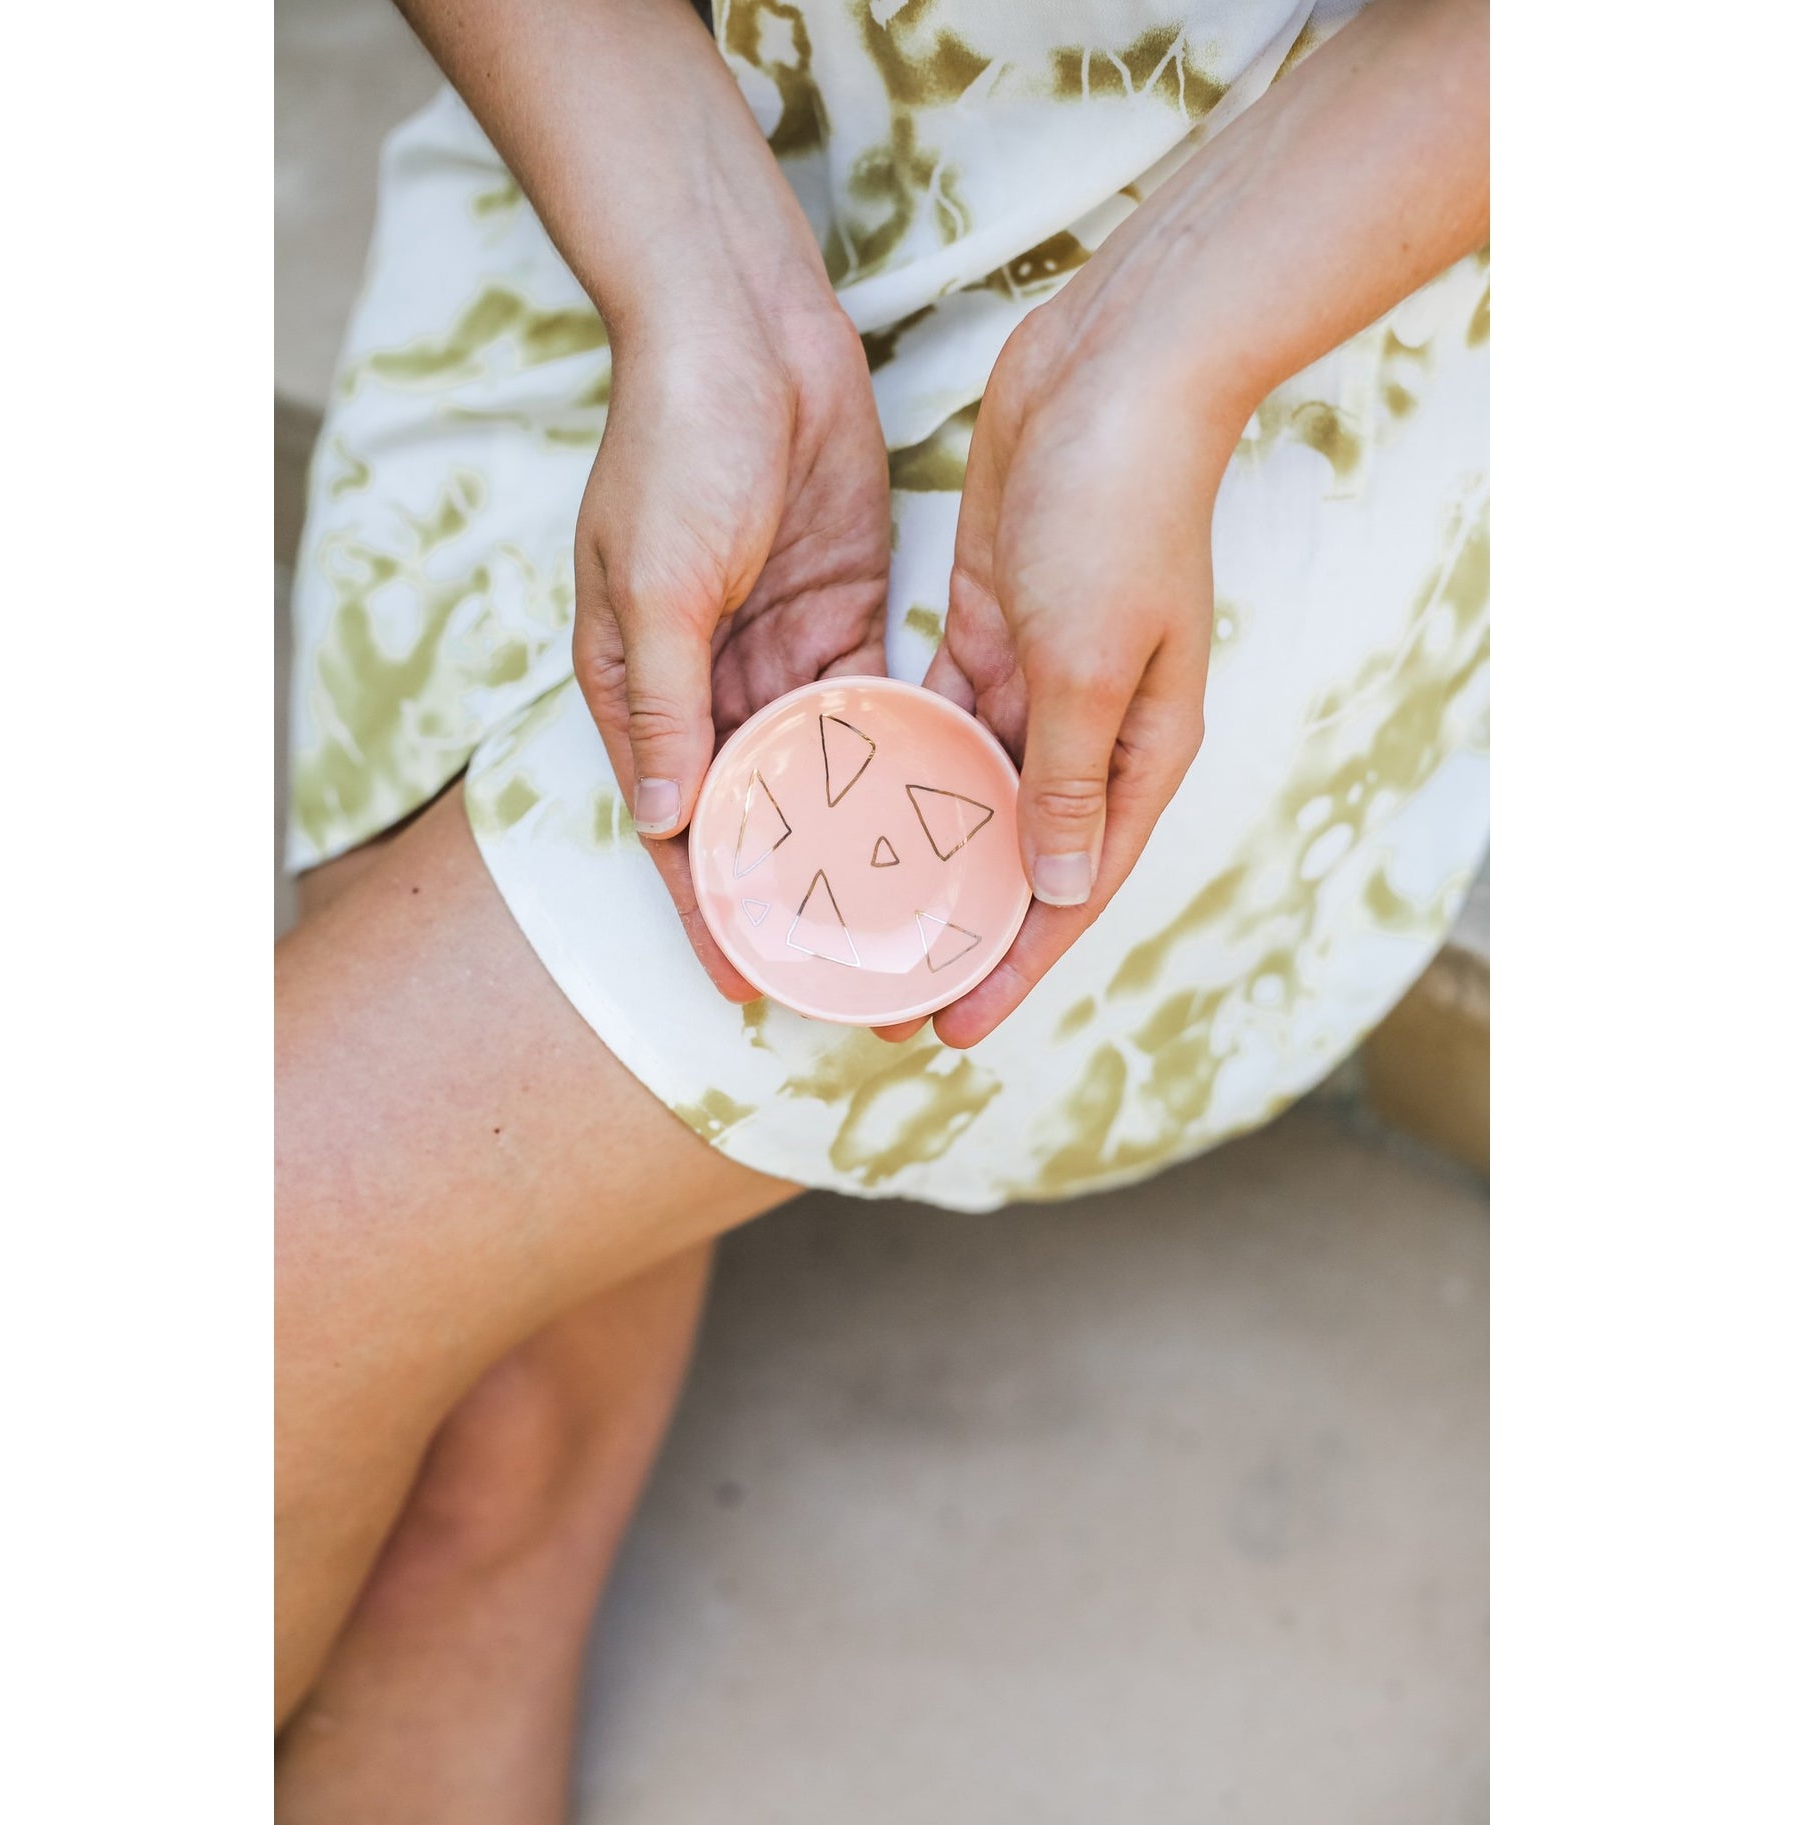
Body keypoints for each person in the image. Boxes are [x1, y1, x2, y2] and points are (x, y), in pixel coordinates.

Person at [275, 0, 1488, 1811]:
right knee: (485, 1453)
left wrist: (1146, 365)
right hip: (637, 132)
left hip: (1289, 279)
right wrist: (685, 246)